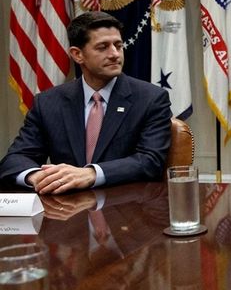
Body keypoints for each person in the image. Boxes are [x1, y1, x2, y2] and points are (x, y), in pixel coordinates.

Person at [0, 11, 172, 194]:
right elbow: (15, 158)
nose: (114, 54)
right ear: (77, 54)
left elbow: (150, 161)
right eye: (102, 47)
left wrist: (91, 174)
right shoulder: (48, 102)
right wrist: (37, 177)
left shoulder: (150, 98)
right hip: (65, 210)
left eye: (118, 45)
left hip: (125, 209)